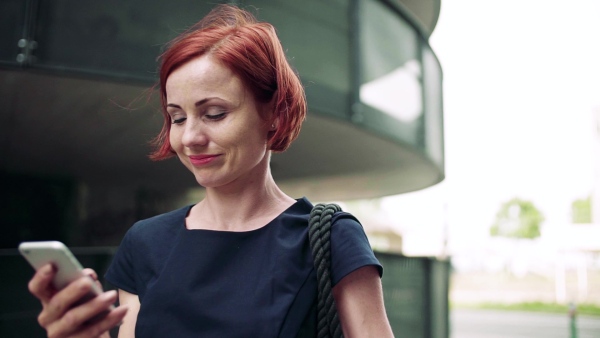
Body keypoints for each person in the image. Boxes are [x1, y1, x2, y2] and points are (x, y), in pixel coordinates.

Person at [27, 4, 394, 338]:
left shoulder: (330, 238)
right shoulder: (145, 242)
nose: (190, 138)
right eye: (177, 117)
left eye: (215, 113)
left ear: (274, 115)